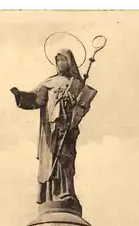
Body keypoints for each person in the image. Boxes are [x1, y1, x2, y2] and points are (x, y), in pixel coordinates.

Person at [10, 49, 86, 205]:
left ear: (69, 62)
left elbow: (83, 105)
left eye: (63, 60)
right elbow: (35, 98)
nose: (59, 63)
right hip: (50, 129)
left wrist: (75, 104)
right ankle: (51, 196)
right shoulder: (49, 83)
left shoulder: (76, 83)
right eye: (57, 60)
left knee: (65, 159)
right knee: (50, 160)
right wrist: (20, 95)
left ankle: (66, 193)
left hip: (67, 128)